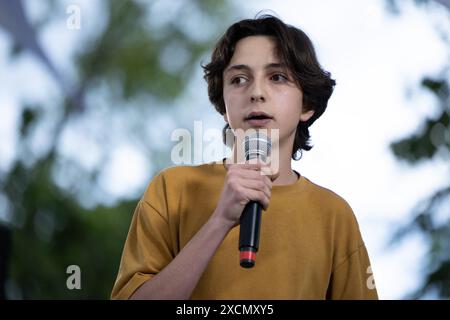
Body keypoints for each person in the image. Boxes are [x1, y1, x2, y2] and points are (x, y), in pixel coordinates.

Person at [111, 14, 378, 300]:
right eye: (239, 79)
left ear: (307, 104)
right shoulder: (172, 189)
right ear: (223, 105)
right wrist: (219, 221)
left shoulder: (334, 215)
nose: (257, 93)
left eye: (277, 77)